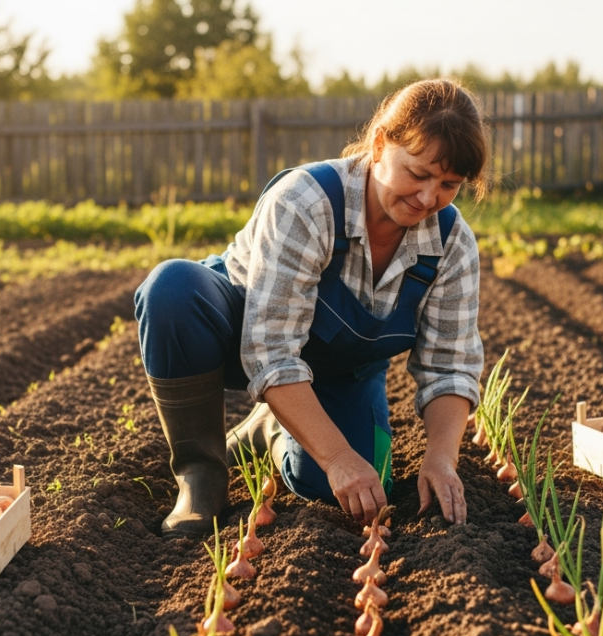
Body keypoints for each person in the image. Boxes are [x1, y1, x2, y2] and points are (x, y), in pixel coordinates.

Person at [134, 78, 490, 537]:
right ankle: (201, 477)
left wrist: (440, 458)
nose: (427, 198)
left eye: (448, 184)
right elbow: (271, 350)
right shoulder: (308, 201)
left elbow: (450, 365)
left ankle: (274, 427)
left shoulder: (451, 242)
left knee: (344, 488)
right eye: (418, 174)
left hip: (340, 369)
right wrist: (338, 457)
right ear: (380, 144)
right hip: (245, 336)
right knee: (172, 287)